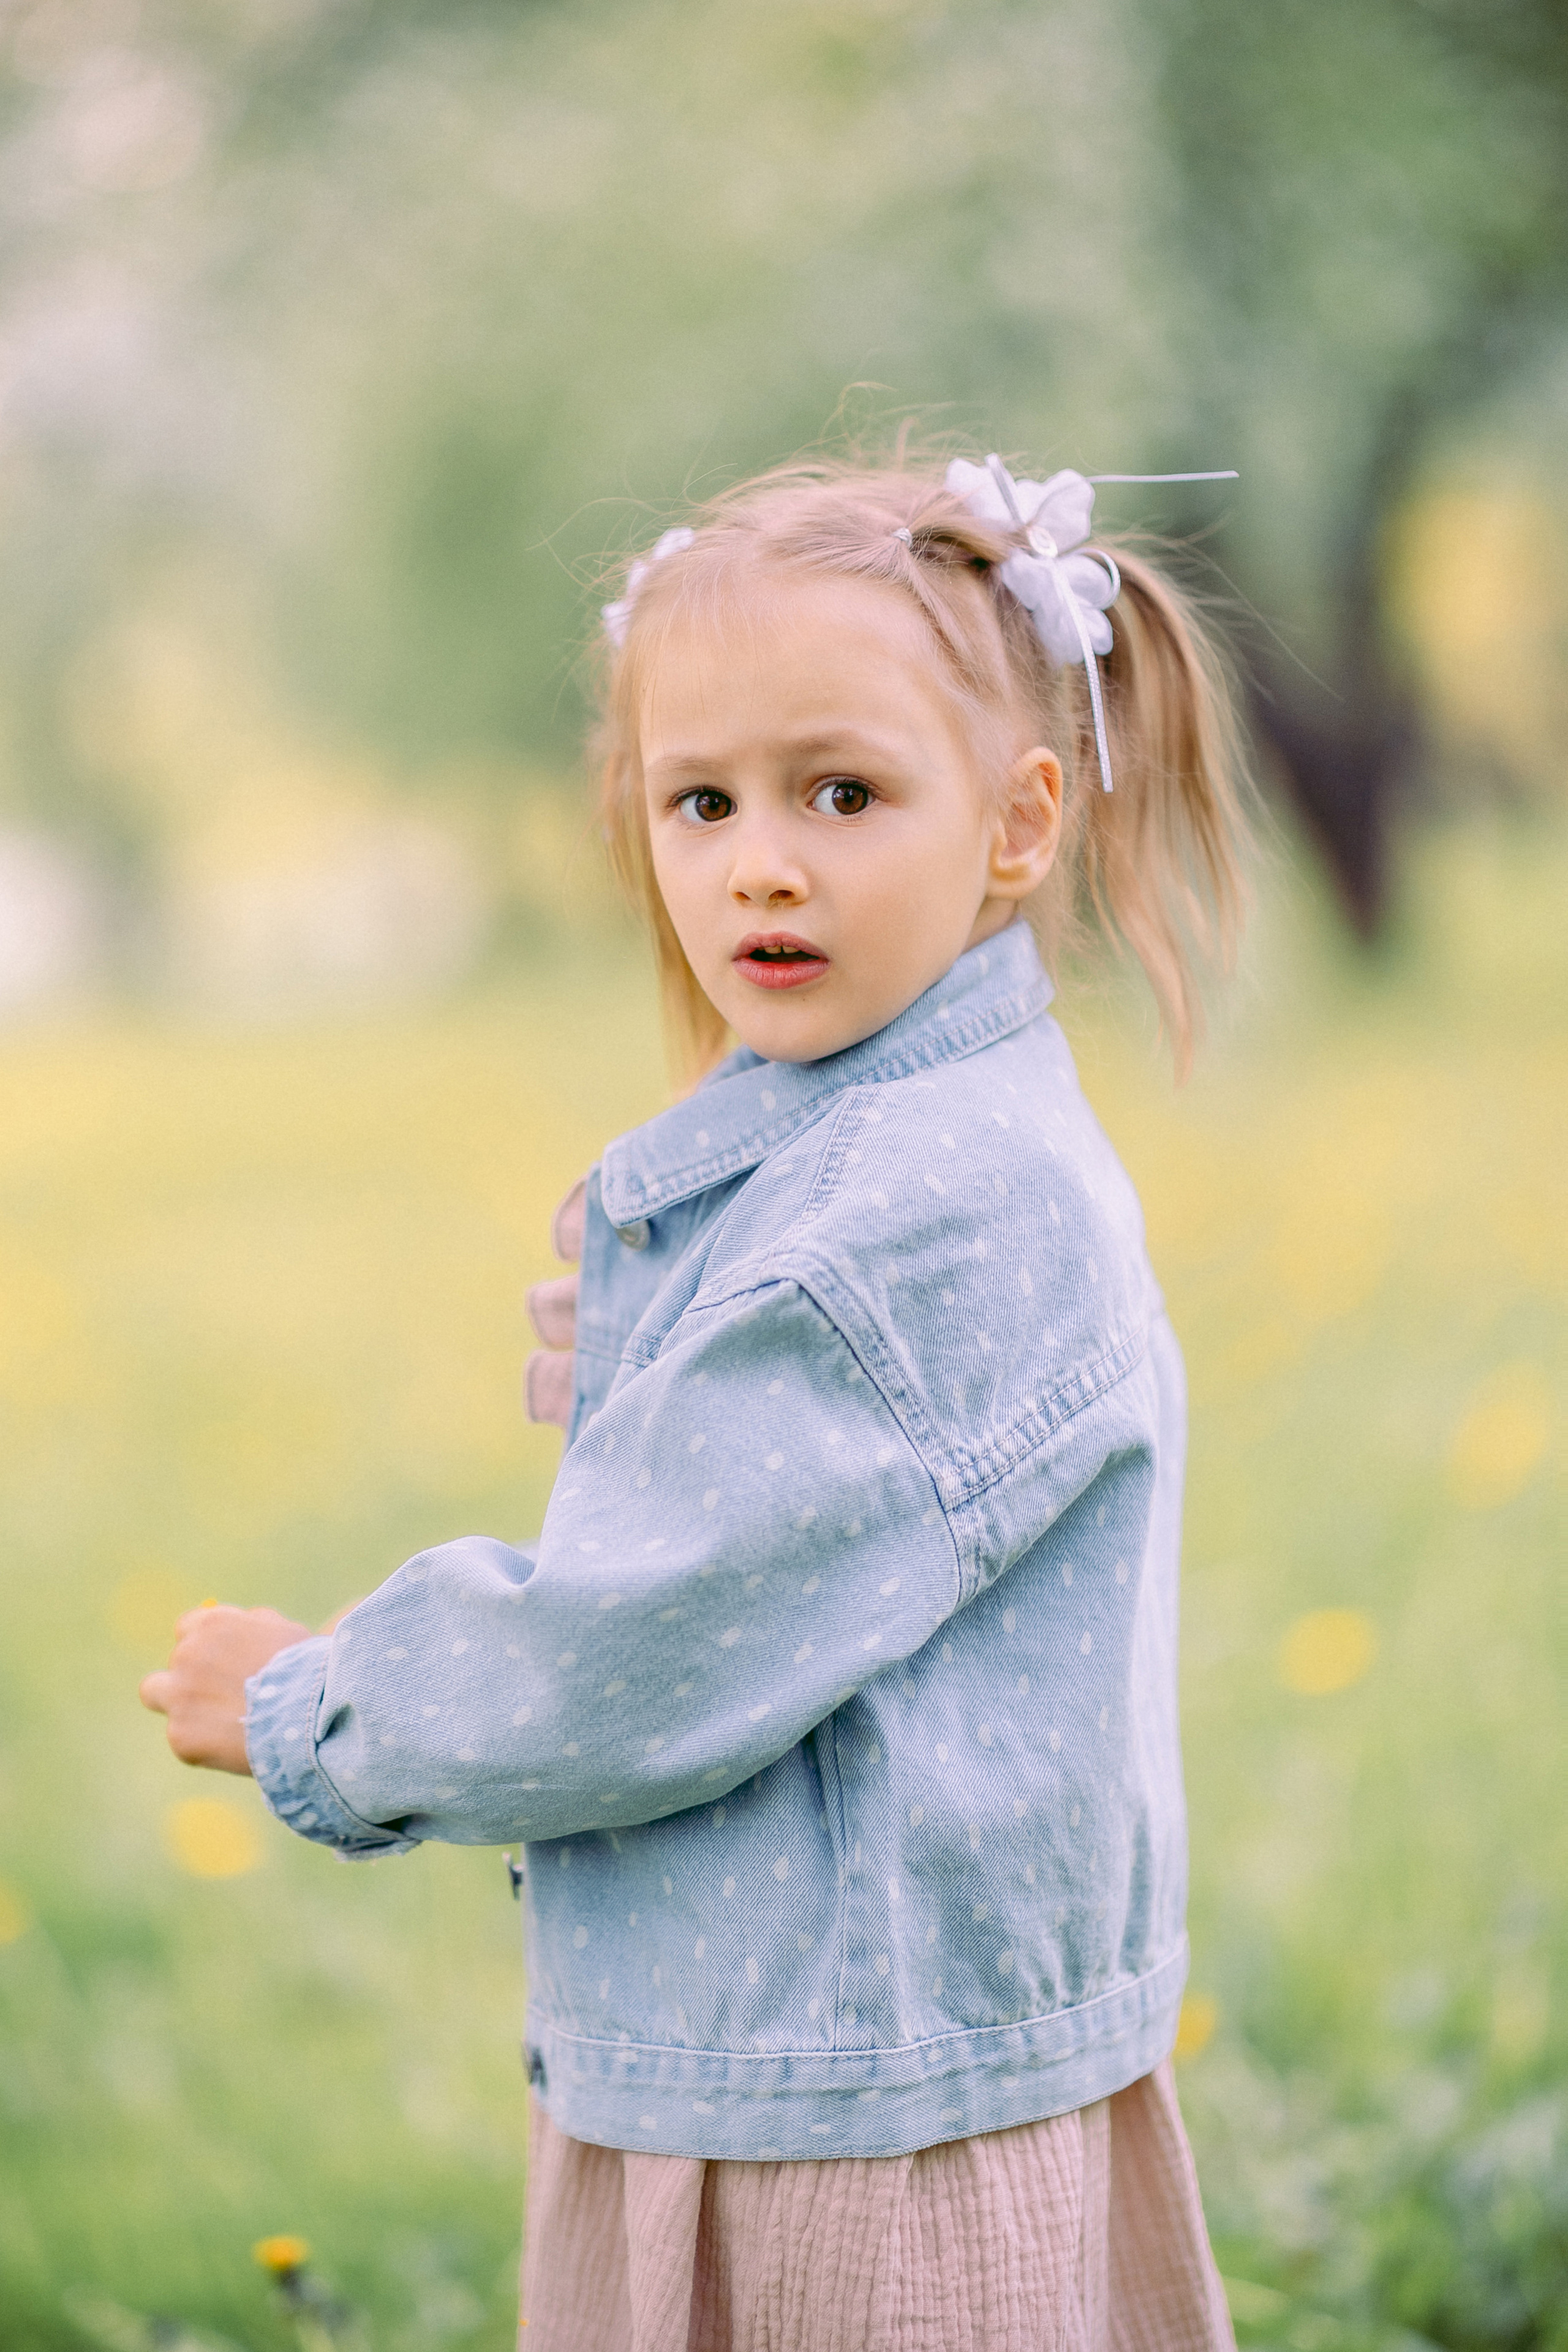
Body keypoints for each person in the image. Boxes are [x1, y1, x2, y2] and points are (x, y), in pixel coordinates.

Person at [142, 450, 1251, 2351]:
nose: (761, 860)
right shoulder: (891, 1142)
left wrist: (315, 1708)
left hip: (847, 2131)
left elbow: (645, 1643)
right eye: (701, 801)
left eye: (844, 793)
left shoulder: (909, 1213)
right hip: (845, 2043)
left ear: (1016, 820)